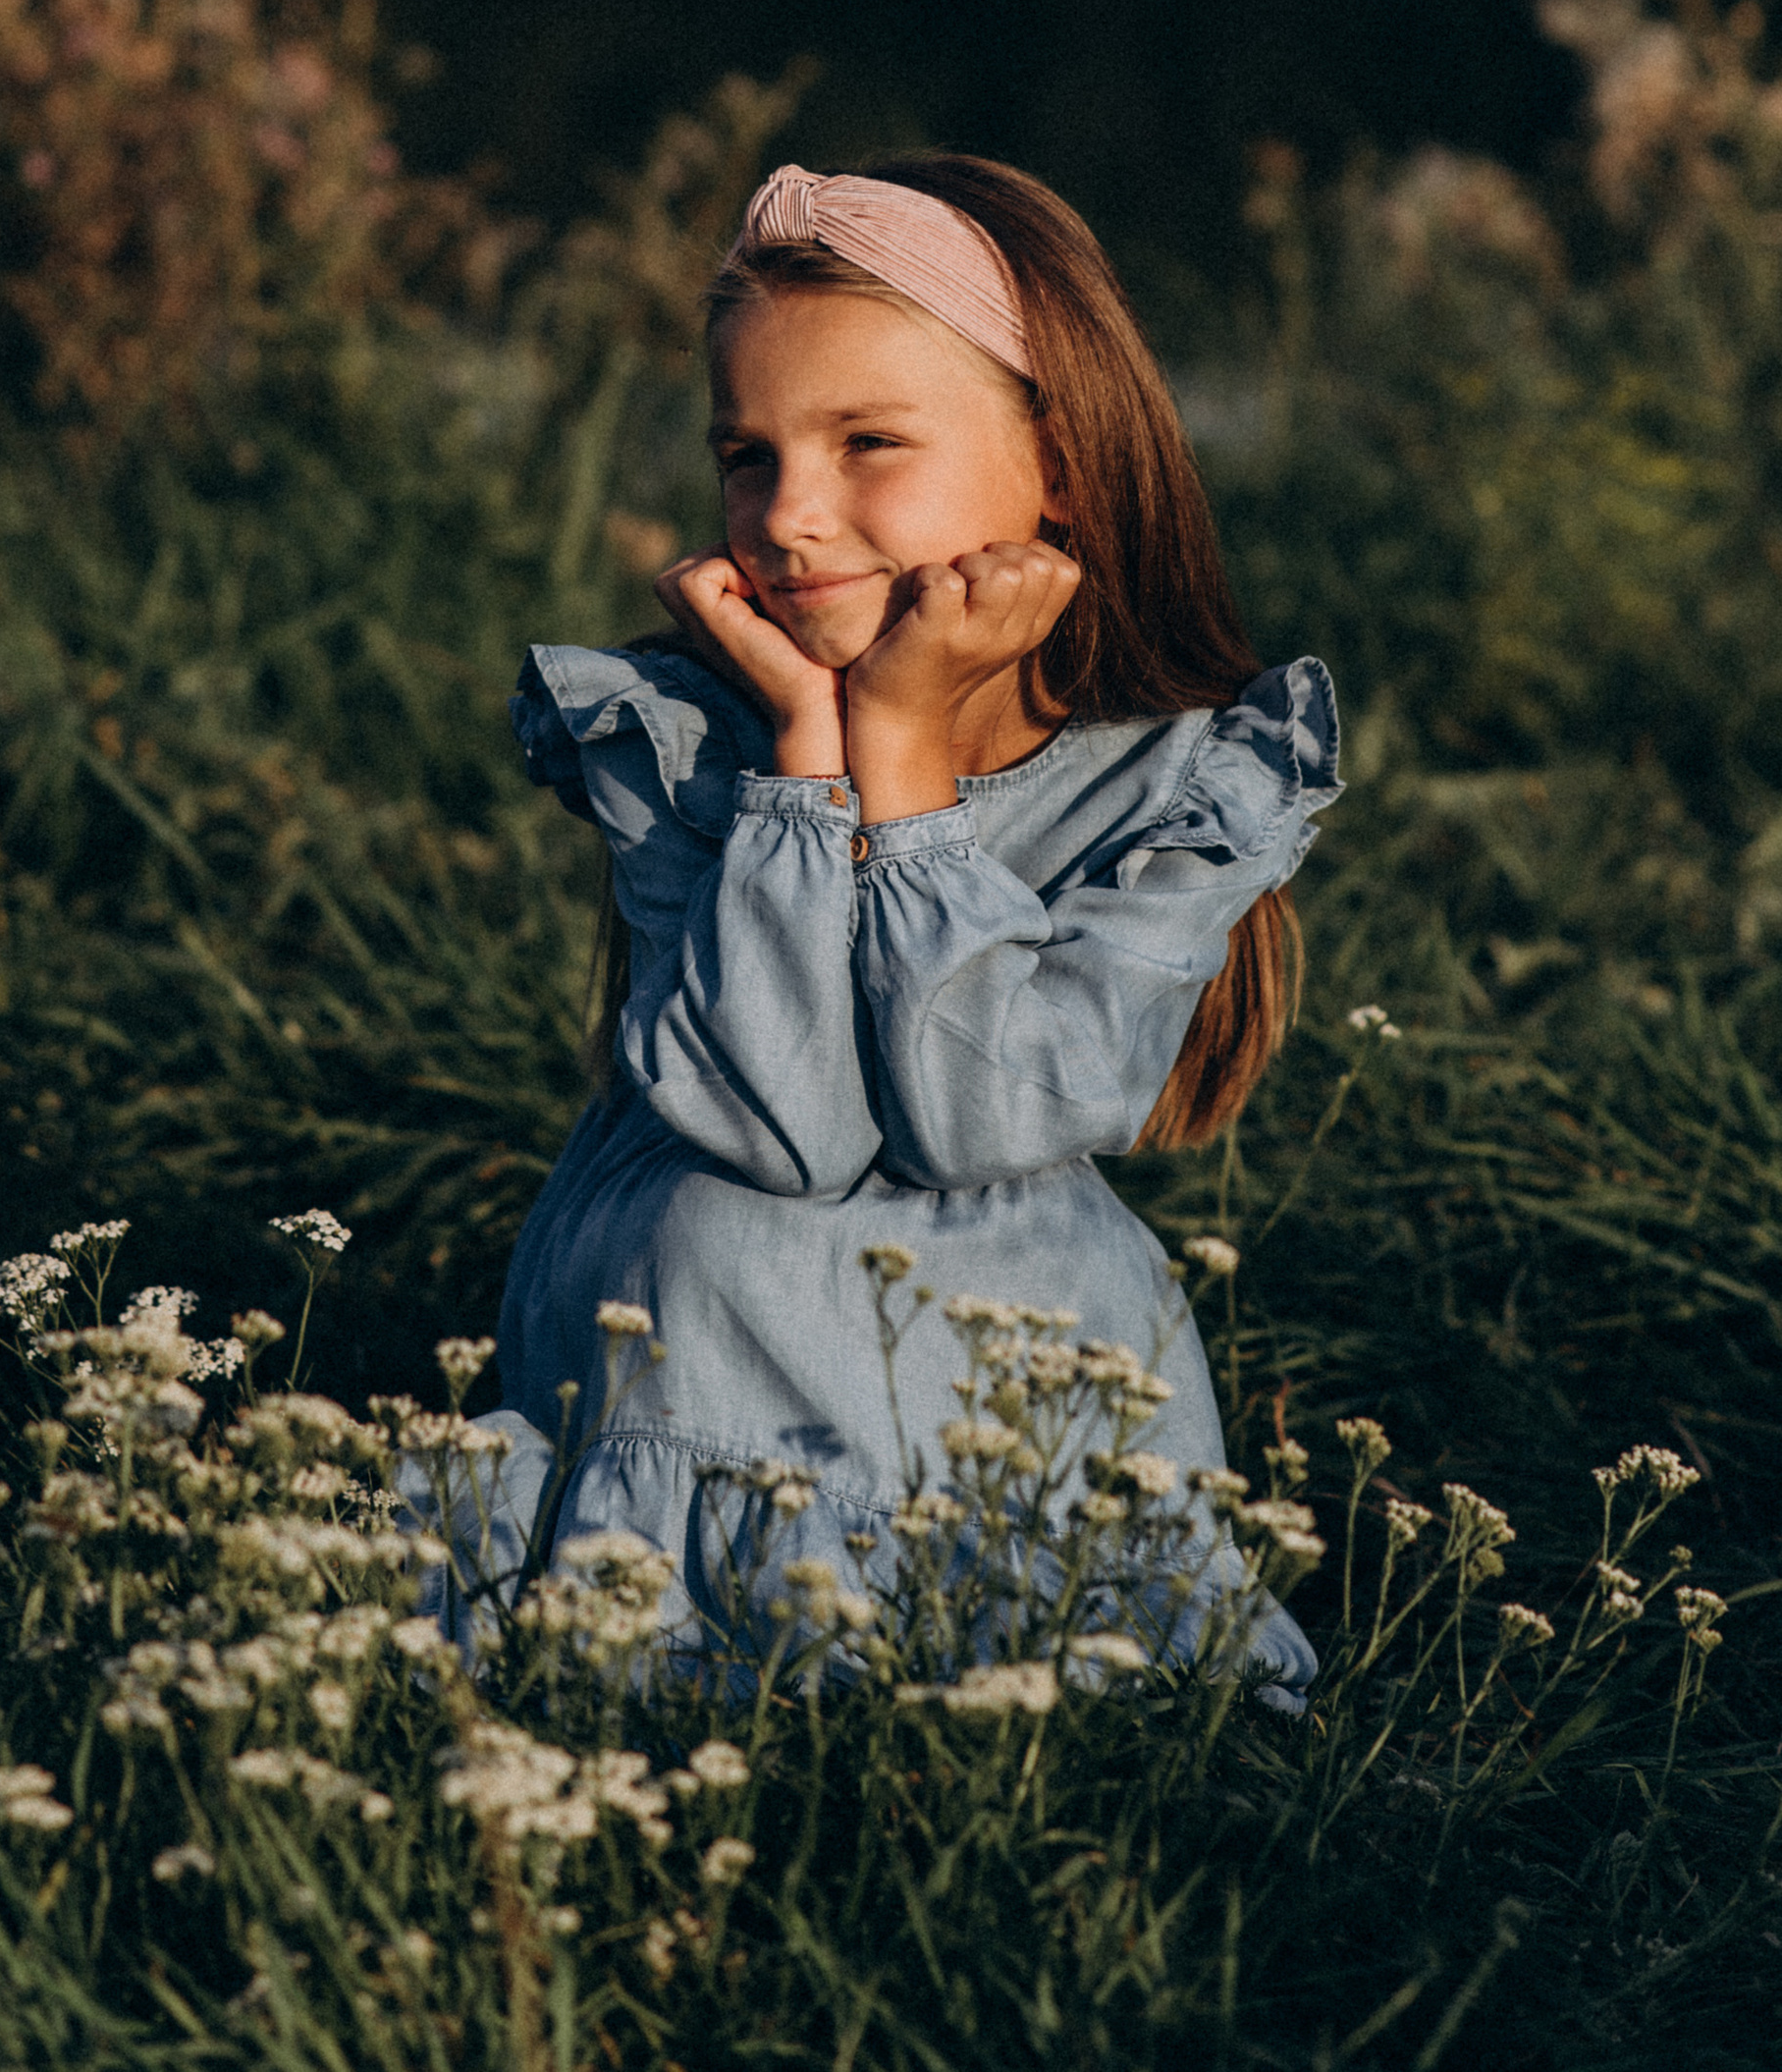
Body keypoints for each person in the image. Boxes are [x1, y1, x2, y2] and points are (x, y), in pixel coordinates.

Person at [471, 151, 1337, 1690]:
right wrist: (810, 756)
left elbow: (987, 1108)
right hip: (685, 1369)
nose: (791, 516)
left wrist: (907, 766)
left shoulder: (1181, 787)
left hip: (984, 1403)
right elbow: (775, 1123)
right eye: (748, 455)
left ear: (1057, 465)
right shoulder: (686, 745)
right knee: (723, 1224)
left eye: (869, 441)